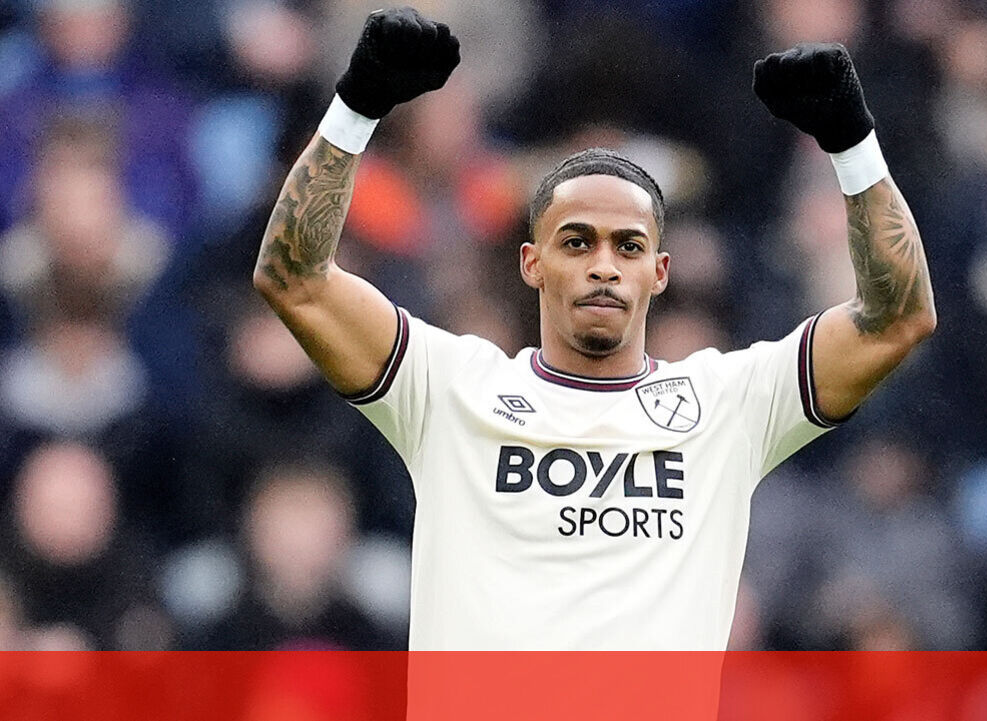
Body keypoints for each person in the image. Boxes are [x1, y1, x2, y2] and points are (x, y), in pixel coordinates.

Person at [253, 7, 936, 650]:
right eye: (577, 242)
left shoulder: (729, 402)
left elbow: (897, 320)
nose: (604, 265)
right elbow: (294, 279)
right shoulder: (450, 387)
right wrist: (356, 108)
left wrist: (852, 143)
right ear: (531, 262)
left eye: (629, 246)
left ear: (660, 271)